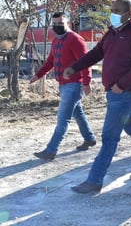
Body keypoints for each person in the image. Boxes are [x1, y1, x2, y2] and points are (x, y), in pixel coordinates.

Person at [64, 0, 131, 194]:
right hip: (115, 92)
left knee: (109, 136)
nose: (113, 13)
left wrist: (121, 85)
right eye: (112, 10)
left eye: (117, 10)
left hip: (125, 93)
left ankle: (94, 180)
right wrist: (75, 67)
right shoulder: (111, 33)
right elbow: (95, 53)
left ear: (129, 13)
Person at [31, 12, 96, 160]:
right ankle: (89, 138)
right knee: (78, 113)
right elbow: (50, 61)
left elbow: (86, 62)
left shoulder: (75, 39)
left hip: (74, 84)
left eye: (60, 23)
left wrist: (87, 82)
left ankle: (51, 150)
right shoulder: (56, 40)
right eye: (55, 24)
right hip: (63, 84)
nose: (57, 26)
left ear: (68, 23)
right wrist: (38, 75)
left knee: (62, 119)